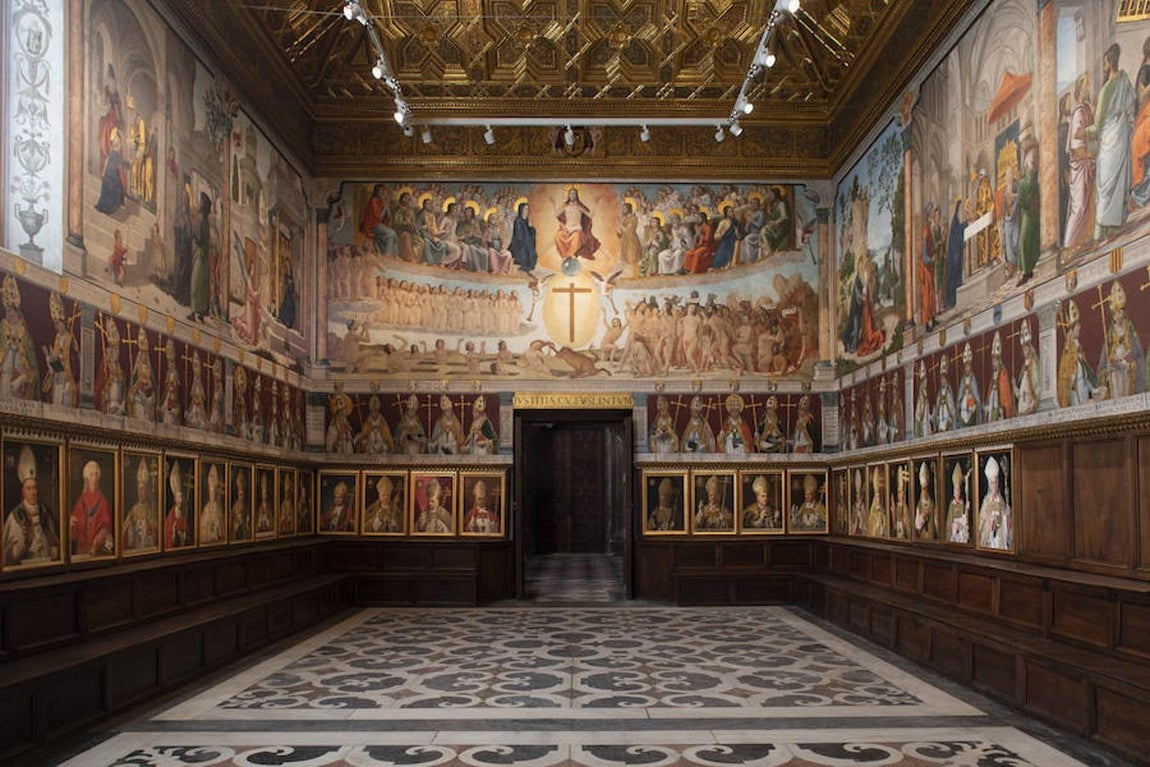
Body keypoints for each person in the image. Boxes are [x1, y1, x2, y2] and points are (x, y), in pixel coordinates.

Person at [1089, 43, 1136, 241]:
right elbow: (1131, 108)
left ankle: (1104, 231)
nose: (1104, 65)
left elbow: (1097, 127)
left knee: (1106, 186)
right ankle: (1115, 225)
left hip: (1109, 140)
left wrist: (1083, 131)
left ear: (1108, 63)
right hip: (1122, 136)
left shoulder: (1106, 90)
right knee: (1116, 182)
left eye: (1105, 62)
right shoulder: (1125, 81)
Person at [4, 446, 60, 566]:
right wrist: (24, 543)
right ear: (23, 492)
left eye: (34, 488)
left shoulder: (44, 511)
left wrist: (54, 546)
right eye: (28, 488)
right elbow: (8, 557)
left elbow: (53, 538)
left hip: (47, 566)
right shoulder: (15, 516)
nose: (33, 492)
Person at [1097, 280, 1144, 399]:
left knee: (1126, 394)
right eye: (1115, 314)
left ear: (1123, 313)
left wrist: (1126, 361)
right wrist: (1108, 366)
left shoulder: (1129, 327)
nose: (1117, 316)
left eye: (1119, 312)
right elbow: (1106, 355)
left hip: (1127, 369)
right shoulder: (1110, 332)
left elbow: (1137, 351)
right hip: (1115, 372)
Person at [1065, 74, 1096, 249]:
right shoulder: (1079, 112)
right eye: (1085, 85)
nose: (1087, 88)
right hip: (1080, 166)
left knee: (1087, 205)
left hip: (1087, 163)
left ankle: (1083, 240)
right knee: (1079, 206)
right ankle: (1070, 245)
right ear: (1079, 89)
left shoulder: (1086, 109)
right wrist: (1090, 155)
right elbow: (1077, 146)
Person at [71, 459, 114, 558]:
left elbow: (106, 526)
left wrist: (96, 542)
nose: (94, 478)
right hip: (82, 549)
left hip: (97, 549)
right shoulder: (81, 500)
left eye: (96, 474)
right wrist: (72, 523)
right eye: (91, 475)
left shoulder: (102, 500)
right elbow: (74, 527)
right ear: (87, 478)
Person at [1057, 298, 1096, 407]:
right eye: (1077, 325)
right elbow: (1065, 379)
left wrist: (1093, 390)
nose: (1080, 327)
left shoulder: (1078, 350)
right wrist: (1071, 379)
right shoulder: (1068, 352)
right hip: (1075, 395)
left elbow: (1086, 375)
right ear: (1072, 329)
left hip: (1084, 392)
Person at [123, 457, 158, 553]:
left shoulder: (153, 509)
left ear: (147, 491)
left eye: (143, 489)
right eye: (139, 489)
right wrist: (131, 527)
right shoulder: (134, 509)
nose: (141, 492)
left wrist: (150, 529)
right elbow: (124, 533)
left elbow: (157, 533)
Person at [554, 188, 599, 261]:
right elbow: (556, 215)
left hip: (576, 230)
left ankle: (571, 255)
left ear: (576, 196)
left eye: (574, 194)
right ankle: (564, 256)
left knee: (576, 237)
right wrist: (554, 203)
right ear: (568, 195)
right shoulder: (565, 206)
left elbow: (590, 216)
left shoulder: (579, 206)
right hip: (567, 230)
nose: (572, 195)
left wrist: (595, 204)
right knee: (557, 236)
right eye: (571, 193)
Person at [977, 456, 1012, 550]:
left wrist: (1006, 517)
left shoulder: (1001, 501)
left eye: (996, 483)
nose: (994, 486)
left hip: (1000, 542)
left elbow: (1006, 525)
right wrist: (990, 523)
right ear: (989, 485)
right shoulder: (986, 502)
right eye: (992, 483)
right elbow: (981, 524)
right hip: (989, 541)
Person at [984, 330, 1014, 423]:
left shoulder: (1002, 373)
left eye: (995, 361)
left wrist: (1002, 404)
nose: (993, 363)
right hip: (993, 398)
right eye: (992, 361)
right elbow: (990, 390)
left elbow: (1004, 390)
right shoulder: (993, 375)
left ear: (999, 360)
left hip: (999, 401)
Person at [164, 461, 192, 549]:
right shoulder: (171, 515)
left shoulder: (184, 513)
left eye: (181, 497)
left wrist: (185, 536)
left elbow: (188, 535)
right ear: (175, 498)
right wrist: (175, 534)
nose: (180, 500)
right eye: (178, 497)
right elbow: (168, 535)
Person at [1015, 319, 1040, 416]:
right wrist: (1014, 387)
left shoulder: (1033, 363)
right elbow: (1021, 388)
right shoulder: (1024, 367)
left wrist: (1034, 400)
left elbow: (1036, 382)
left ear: (1030, 348)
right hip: (1022, 402)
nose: (1024, 352)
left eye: (1026, 349)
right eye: (1023, 350)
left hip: (1030, 401)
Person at [956, 342, 981, 428]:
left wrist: (970, 390)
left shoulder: (972, 378)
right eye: (966, 367)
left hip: (971, 400)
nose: (967, 368)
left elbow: (975, 392)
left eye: (968, 366)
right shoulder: (963, 380)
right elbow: (960, 393)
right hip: (964, 399)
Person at [199, 463, 225, 545]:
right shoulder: (206, 509)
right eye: (211, 492)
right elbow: (203, 529)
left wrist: (217, 527)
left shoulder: (219, 508)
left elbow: (222, 530)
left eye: (213, 492)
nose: (212, 494)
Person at [509, 201, 538, 272]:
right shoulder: (518, 221)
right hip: (519, 244)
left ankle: (529, 263)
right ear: (521, 210)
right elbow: (519, 236)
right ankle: (524, 264)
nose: (526, 211)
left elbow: (530, 232)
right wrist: (528, 237)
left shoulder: (526, 220)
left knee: (531, 248)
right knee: (526, 248)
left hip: (526, 241)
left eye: (527, 209)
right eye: (525, 209)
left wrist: (532, 228)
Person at [947, 462, 970, 544]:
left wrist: (965, 519)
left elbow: (965, 520)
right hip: (954, 534)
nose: (957, 492)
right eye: (956, 490)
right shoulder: (952, 504)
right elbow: (949, 523)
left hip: (961, 534)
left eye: (958, 490)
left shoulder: (962, 503)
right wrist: (954, 527)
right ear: (953, 492)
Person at [913, 461, 936, 541]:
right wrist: (922, 517)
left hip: (931, 536)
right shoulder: (919, 505)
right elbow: (917, 526)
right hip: (922, 538)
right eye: (923, 489)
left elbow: (935, 522)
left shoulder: (932, 504)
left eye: (925, 489)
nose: (924, 492)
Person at [889, 465, 911, 540]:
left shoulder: (906, 507)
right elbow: (894, 526)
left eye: (901, 492)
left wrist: (906, 522)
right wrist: (893, 513)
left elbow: (908, 527)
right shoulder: (896, 506)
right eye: (899, 492)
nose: (900, 494)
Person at [866, 466, 887, 538]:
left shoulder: (882, 510)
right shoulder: (872, 512)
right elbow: (871, 526)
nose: (878, 499)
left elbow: (885, 524)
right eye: (876, 497)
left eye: (879, 497)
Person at [231, 470, 252, 541]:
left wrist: (247, 521)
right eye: (240, 494)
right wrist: (236, 523)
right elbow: (232, 519)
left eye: (242, 494)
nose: (241, 496)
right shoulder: (235, 506)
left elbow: (248, 518)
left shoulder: (246, 505)